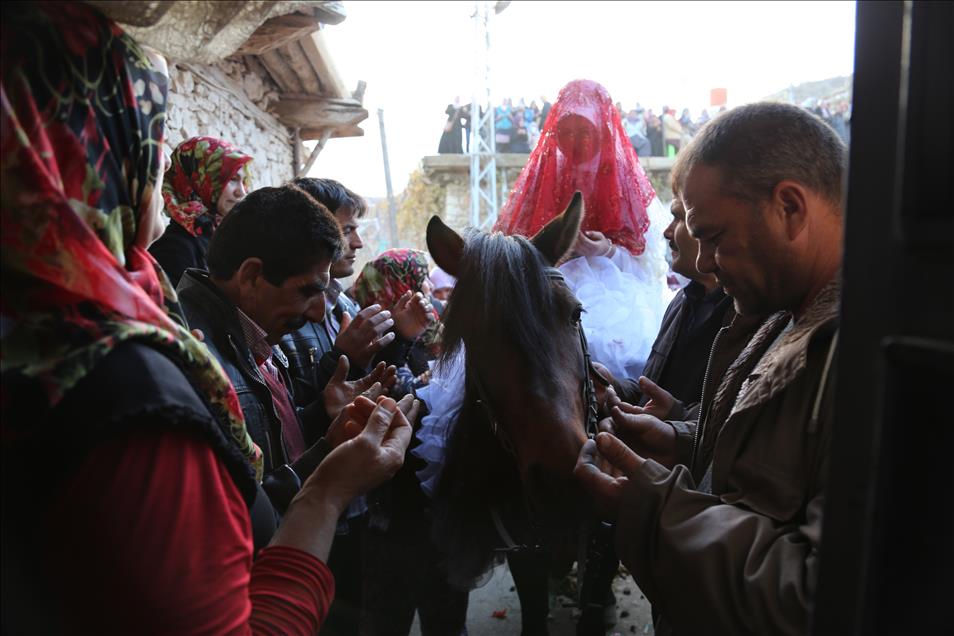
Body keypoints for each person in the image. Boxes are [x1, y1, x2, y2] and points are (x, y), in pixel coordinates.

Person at [0, 4, 415, 634]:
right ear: (96, 152)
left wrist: (324, 446)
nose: (159, 189)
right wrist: (327, 494)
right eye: (152, 155)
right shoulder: (123, 384)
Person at [575, 102, 846, 635]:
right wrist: (680, 438)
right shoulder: (781, 317)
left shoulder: (866, 360)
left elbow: (820, 598)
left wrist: (651, 508)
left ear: (790, 207)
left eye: (715, 236)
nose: (702, 263)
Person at [177, 186, 393, 522]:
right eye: (307, 291)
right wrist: (328, 475)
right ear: (251, 276)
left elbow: (272, 447)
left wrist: (323, 412)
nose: (315, 314)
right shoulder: (197, 360)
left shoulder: (255, 334)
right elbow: (243, 520)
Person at [149, 135, 253, 287]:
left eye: (243, 181)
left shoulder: (216, 237)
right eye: (231, 179)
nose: (242, 192)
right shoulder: (175, 248)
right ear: (198, 178)